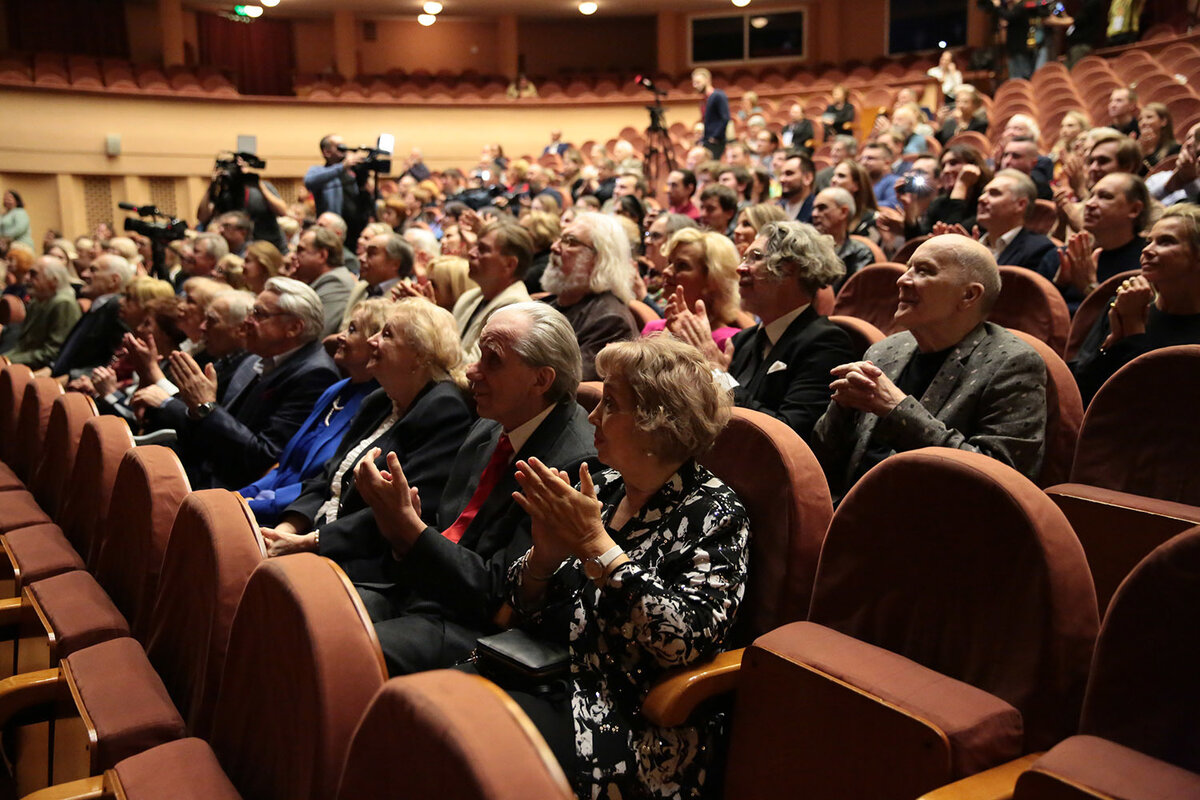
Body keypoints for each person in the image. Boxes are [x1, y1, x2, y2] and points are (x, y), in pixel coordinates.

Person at [479, 336, 749, 800]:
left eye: (611, 404)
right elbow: (516, 603)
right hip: (543, 671)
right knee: (430, 710)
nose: (592, 417)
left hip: (625, 715)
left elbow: (685, 638)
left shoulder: (716, 513)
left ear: (657, 422)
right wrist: (543, 557)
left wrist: (597, 546)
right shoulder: (599, 485)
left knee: (478, 748)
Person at [350, 302, 597, 675]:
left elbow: (503, 595)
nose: (471, 371)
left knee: (345, 649)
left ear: (541, 380)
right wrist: (401, 523)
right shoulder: (490, 424)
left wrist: (410, 530)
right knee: (311, 613)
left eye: (492, 360)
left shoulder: (572, 465)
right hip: (422, 589)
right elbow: (447, 528)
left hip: (476, 628)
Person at [812, 234, 1047, 502]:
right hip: (851, 508)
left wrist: (897, 411)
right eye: (908, 268)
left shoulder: (1013, 363)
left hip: (935, 526)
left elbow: (1002, 482)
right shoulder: (885, 350)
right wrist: (841, 411)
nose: (902, 279)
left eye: (924, 271)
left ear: (969, 295)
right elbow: (824, 458)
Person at [258, 298, 474, 583]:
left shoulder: (445, 409)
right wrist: (287, 528)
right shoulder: (379, 400)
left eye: (386, 335)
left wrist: (311, 542)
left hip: (368, 564)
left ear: (419, 355)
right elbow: (327, 478)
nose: (372, 341)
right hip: (317, 537)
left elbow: (398, 514)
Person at [136, 277, 339, 489]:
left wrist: (205, 406)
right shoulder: (258, 359)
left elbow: (262, 456)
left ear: (294, 328)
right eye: (252, 312)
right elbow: (223, 426)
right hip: (208, 466)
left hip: (235, 489)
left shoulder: (315, 375)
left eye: (259, 314)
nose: (247, 321)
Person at [675, 221, 854, 440]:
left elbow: (788, 435)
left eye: (755, 257)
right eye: (744, 258)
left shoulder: (826, 343)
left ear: (790, 268)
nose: (740, 269)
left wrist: (718, 375)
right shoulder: (743, 340)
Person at [239, 298, 390, 525]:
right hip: (264, 504)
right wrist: (243, 494)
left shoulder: (375, 405)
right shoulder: (335, 390)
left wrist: (251, 505)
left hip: (297, 518)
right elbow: (285, 467)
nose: (340, 336)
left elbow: (325, 482)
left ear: (374, 344)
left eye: (352, 330)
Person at [1071, 204, 1200, 406]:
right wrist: (1113, 342)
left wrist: (1133, 333)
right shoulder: (1123, 305)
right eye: (1149, 241)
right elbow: (1081, 391)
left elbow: (1157, 405)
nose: (1147, 250)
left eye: (1166, 242)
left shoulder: (1130, 312)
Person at [542, 212, 639, 381]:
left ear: (599, 258)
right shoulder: (549, 303)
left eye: (570, 242)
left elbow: (566, 384)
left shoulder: (610, 320)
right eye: (560, 238)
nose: (554, 247)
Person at [1039, 172, 1150, 311]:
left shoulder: (1148, 261)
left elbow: (1130, 322)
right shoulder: (1062, 256)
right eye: (1091, 196)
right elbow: (1029, 313)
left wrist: (1089, 288)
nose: (1090, 204)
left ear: (1134, 209)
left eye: (1105, 197)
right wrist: (1058, 284)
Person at [648, 228, 742, 352]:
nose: (666, 271)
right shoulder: (654, 329)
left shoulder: (729, 341)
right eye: (669, 262)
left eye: (682, 265)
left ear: (712, 279)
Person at [454, 219, 534, 362]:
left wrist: (432, 324)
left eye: (482, 249)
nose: (471, 253)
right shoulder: (469, 297)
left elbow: (473, 367)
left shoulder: (515, 309)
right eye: (475, 245)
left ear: (509, 264)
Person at [45, 253, 134, 379]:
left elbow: (118, 361)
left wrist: (71, 377)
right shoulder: (98, 305)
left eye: (93, 270)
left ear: (114, 280)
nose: (84, 274)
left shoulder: (116, 307)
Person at [2, 256, 80, 369]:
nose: (27, 278)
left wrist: (8, 360)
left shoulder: (63, 303)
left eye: (33, 274)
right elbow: (22, 343)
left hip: (38, 370)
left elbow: (52, 353)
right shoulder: (38, 300)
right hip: (18, 360)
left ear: (53, 281)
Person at [973, 169, 1056, 270]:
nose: (981, 198)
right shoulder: (973, 244)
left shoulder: (1039, 249)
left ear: (1020, 205)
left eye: (994, 193)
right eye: (984, 193)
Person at [290, 226, 357, 337]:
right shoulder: (319, 280)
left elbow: (315, 333)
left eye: (301, 250)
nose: (293, 256)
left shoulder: (337, 283)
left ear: (322, 255)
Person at [304, 133, 370, 246]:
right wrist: (342, 167)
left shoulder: (352, 173)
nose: (344, 150)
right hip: (332, 232)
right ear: (327, 152)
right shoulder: (320, 171)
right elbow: (309, 181)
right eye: (339, 147)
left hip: (356, 229)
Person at [342, 232, 414, 329]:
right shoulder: (360, 287)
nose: (361, 259)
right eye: (364, 253)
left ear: (395, 264)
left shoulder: (408, 298)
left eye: (371, 253)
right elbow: (343, 328)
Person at [811, 187, 875, 290]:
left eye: (822, 208)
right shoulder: (807, 249)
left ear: (843, 212)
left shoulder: (861, 254)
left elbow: (854, 297)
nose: (814, 214)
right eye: (814, 209)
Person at [692, 68, 729, 159]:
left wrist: (715, 136)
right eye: (694, 83)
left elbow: (725, 118)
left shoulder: (718, 95)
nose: (695, 85)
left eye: (698, 82)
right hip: (707, 140)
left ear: (707, 80)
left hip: (716, 141)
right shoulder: (704, 100)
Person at [1137, 102, 1180, 175]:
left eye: (1149, 117)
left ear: (1163, 121)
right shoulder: (1136, 149)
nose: (1143, 122)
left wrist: (1148, 153)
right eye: (1140, 119)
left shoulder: (1175, 149)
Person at [777, 152, 816, 223]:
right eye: (781, 174)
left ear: (807, 178)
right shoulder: (776, 208)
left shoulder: (816, 211)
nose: (782, 179)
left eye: (789, 174)